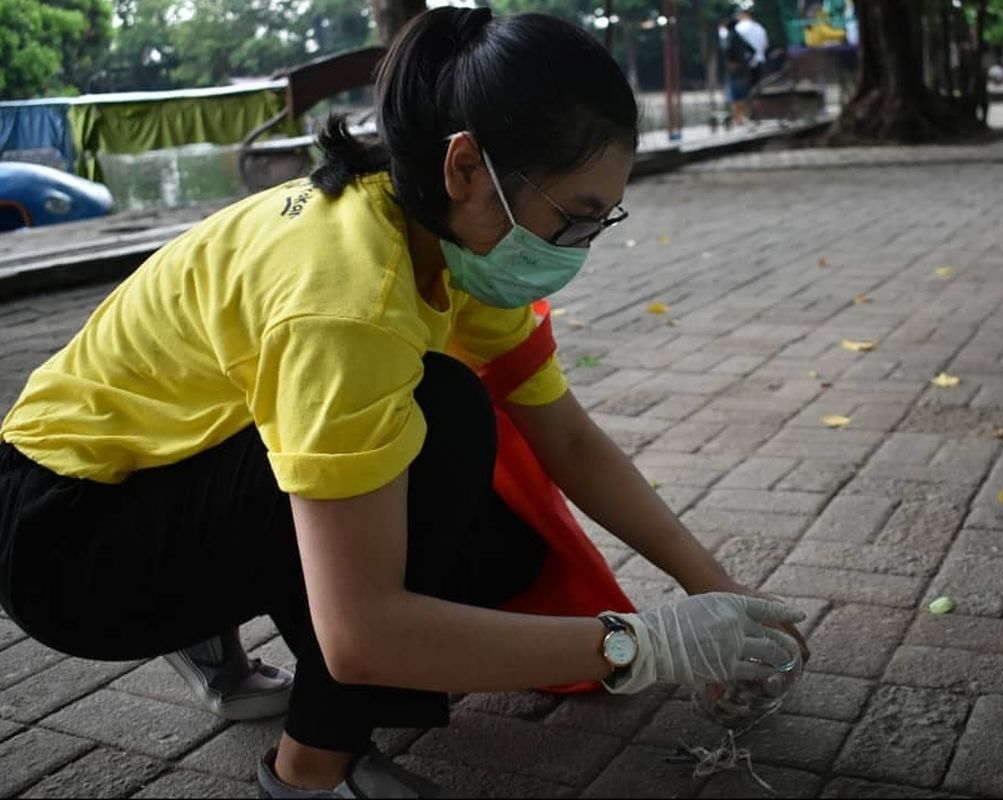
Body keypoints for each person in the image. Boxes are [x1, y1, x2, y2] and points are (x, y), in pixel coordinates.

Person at [0, 8, 805, 799]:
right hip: (68, 548)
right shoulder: (349, 303)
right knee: (446, 421)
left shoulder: (445, 230)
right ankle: (311, 772)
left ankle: (213, 630)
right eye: (575, 218)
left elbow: (567, 437)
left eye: (601, 220)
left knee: (501, 556)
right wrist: (643, 646)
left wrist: (723, 598)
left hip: (158, 471)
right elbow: (362, 637)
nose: (578, 250)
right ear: (465, 167)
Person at [720, 7, 769, 125]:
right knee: (756, 91)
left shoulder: (738, 29)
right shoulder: (760, 28)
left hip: (740, 66)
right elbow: (764, 46)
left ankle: (738, 118)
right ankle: (756, 116)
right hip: (759, 62)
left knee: (738, 93)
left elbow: (725, 44)